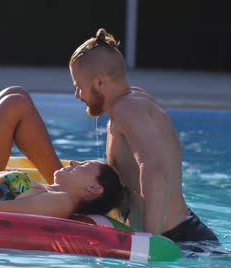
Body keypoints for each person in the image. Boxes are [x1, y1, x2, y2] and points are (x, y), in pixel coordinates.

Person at [68, 28, 219, 250]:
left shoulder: (126, 110)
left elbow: (155, 169)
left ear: (100, 83)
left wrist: (151, 242)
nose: (77, 95)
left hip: (177, 238)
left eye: (79, 87)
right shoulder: (132, 103)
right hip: (181, 230)